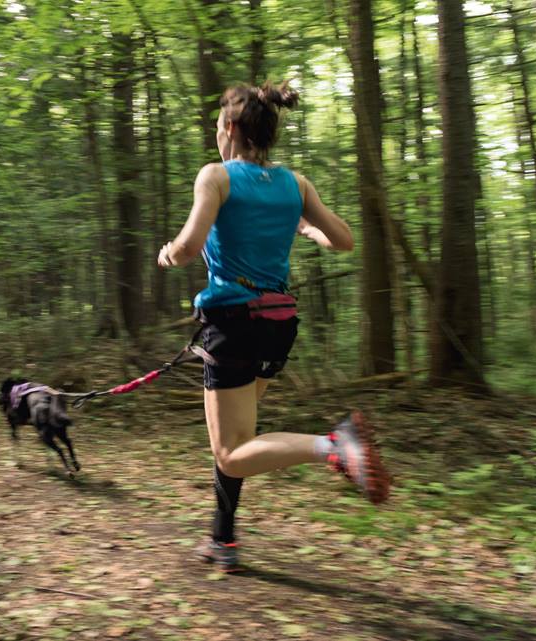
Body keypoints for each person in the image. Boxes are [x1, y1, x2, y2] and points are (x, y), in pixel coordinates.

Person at [157, 81, 391, 572]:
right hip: (278, 325)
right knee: (243, 435)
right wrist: (304, 226)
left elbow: (188, 246)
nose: (216, 134)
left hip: (233, 324)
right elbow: (344, 240)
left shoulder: (215, 177)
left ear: (231, 128)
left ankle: (334, 445)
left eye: (218, 126)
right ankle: (222, 539)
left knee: (230, 451)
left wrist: (167, 253)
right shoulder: (295, 184)